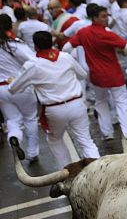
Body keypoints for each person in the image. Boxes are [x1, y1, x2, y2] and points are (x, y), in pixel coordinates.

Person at [9, 31, 100, 168]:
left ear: (35, 46)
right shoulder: (66, 57)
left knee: (55, 139)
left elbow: (14, 88)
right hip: (77, 103)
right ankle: (99, 170)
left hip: (54, 109)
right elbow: (82, 74)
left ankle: (68, 172)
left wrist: (14, 81)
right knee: (86, 140)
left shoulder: (33, 65)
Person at [65, 3, 127, 143]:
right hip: (114, 75)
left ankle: (107, 132)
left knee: (101, 102)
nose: (106, 19)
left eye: (107, 16)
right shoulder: (107, 33)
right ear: (94, 18)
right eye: (103, 16)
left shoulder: (83, 32)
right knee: (122, 104)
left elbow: (66, 48)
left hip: (96, 76)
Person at [0, 14, 38, 162]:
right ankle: (33, 152)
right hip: (20, 86)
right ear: (10, 26)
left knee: (13, 119)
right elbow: (33, 61)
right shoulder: (15, 44)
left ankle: (14, 137)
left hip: (1, 89)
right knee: (30, 118)